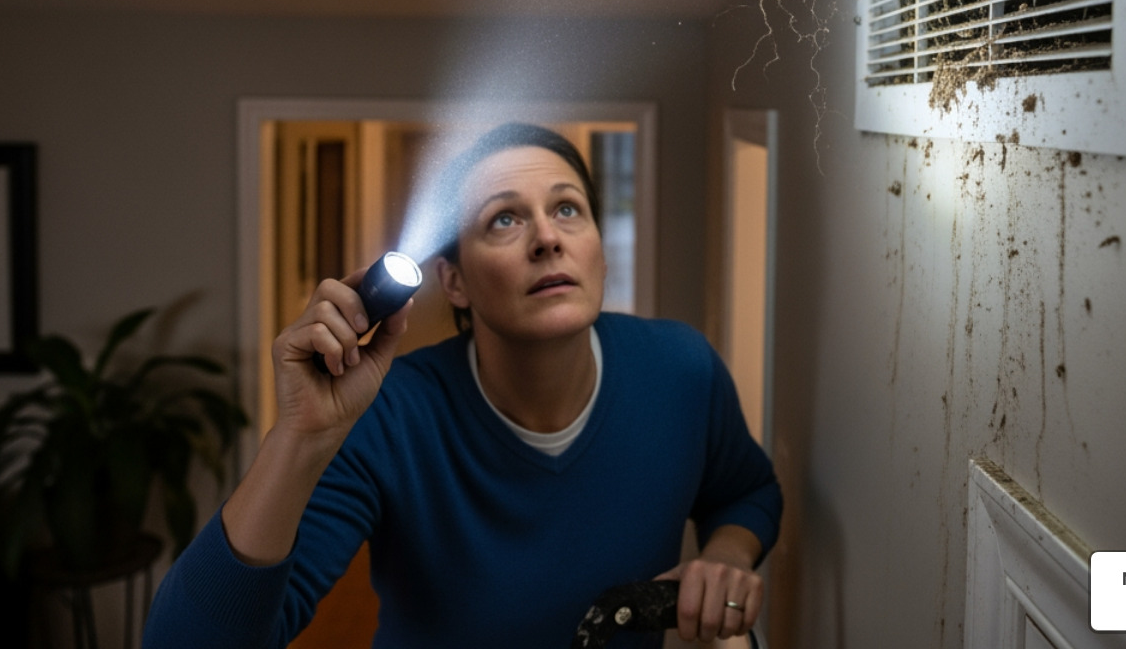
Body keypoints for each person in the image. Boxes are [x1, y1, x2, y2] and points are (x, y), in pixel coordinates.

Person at [144, 123, 781, 647]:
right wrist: (299, 437)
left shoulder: (681, 369)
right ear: (453, 282)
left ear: (598, 248)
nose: (547, 238)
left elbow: (748, 492)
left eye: (567, 209)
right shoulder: (392, 414)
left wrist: (725, 557)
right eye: (504, 220)